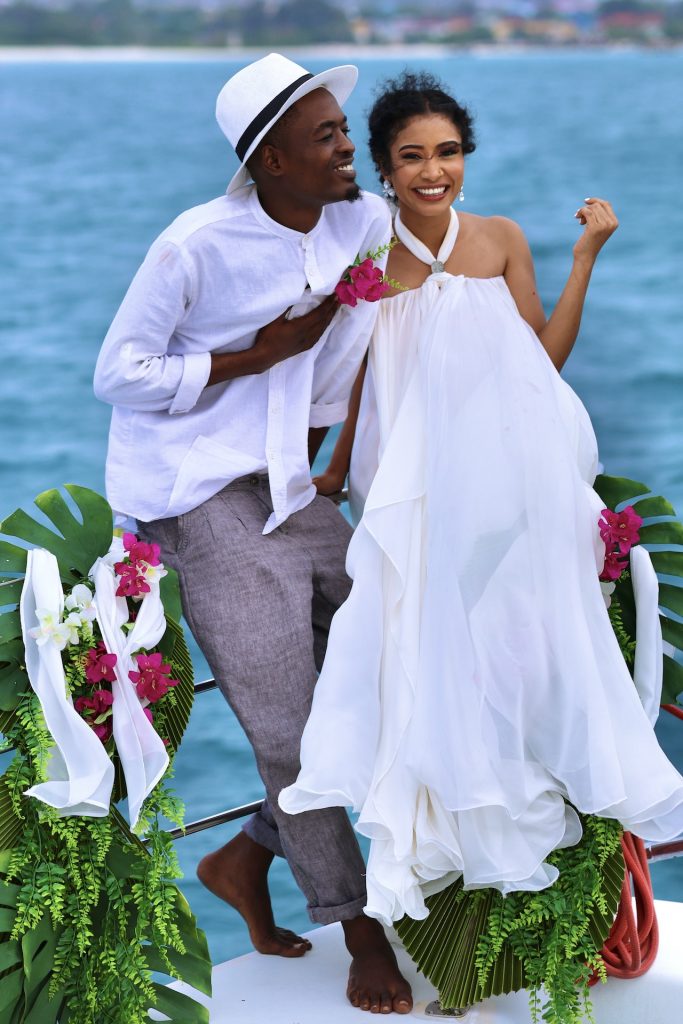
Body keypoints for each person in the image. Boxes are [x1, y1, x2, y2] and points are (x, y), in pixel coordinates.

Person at [279, 72, 683, 934]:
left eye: (448, 152)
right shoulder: (364, 256)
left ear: (466, 155)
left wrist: (583, 262)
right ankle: (437, 874)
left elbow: (543, 361)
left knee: (512, 652)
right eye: (411, 156)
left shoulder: (499, 239)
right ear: (383, 168)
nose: (433, 171)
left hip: (509, 480)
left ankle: (507, 861)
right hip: (409, 491)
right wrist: (331, 468)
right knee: (416, 658)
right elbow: (352, 380)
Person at [94, 54, 415, 1015]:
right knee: (287, 731)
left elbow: (357, 340)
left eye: (342, 128)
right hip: (195, 496)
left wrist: (334, 450)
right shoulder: (194, 246)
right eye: (324, 136)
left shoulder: (362, 220)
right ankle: (354, 926)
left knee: (397, 658)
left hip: (291, 486)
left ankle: (243, 858)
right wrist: (251, 356)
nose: (346, 145)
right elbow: (119, 372)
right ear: (271, 161)